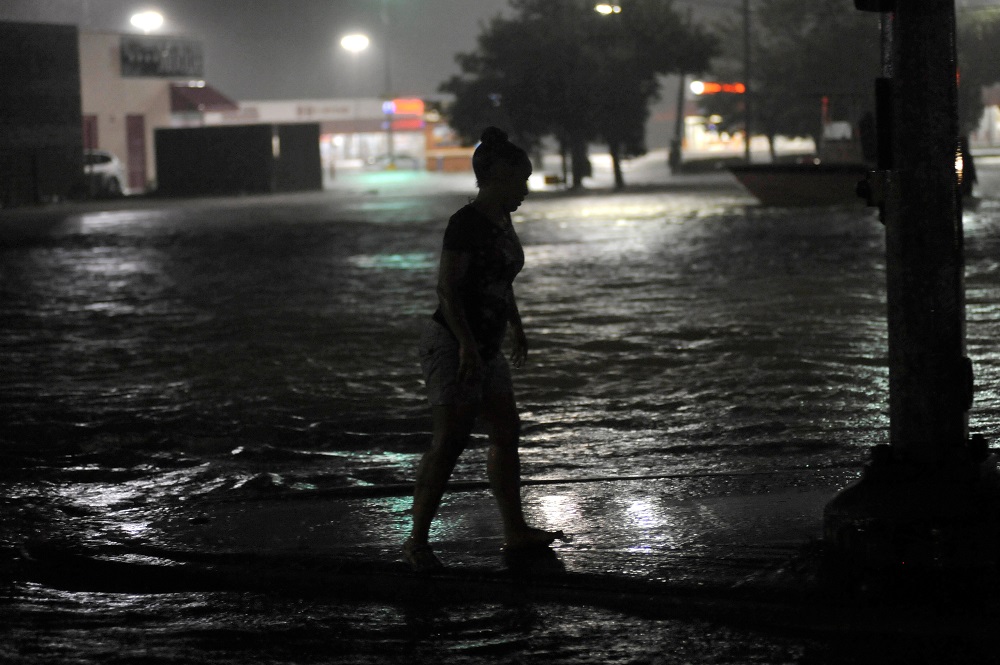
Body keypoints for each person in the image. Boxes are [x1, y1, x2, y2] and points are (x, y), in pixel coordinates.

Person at [404, 127, 564, 572]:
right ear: (493, 177)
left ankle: (514, 530)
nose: (525, 191)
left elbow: (499, 280)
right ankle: (416, 540)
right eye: (520, 180)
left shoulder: (501, 221)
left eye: (528, 180)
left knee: (506, 430)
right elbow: (447, 290)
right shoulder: (466, 223)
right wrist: (468, 349)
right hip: (453, 344)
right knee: (450, 441)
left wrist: (516, 325)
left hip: (486, 344)